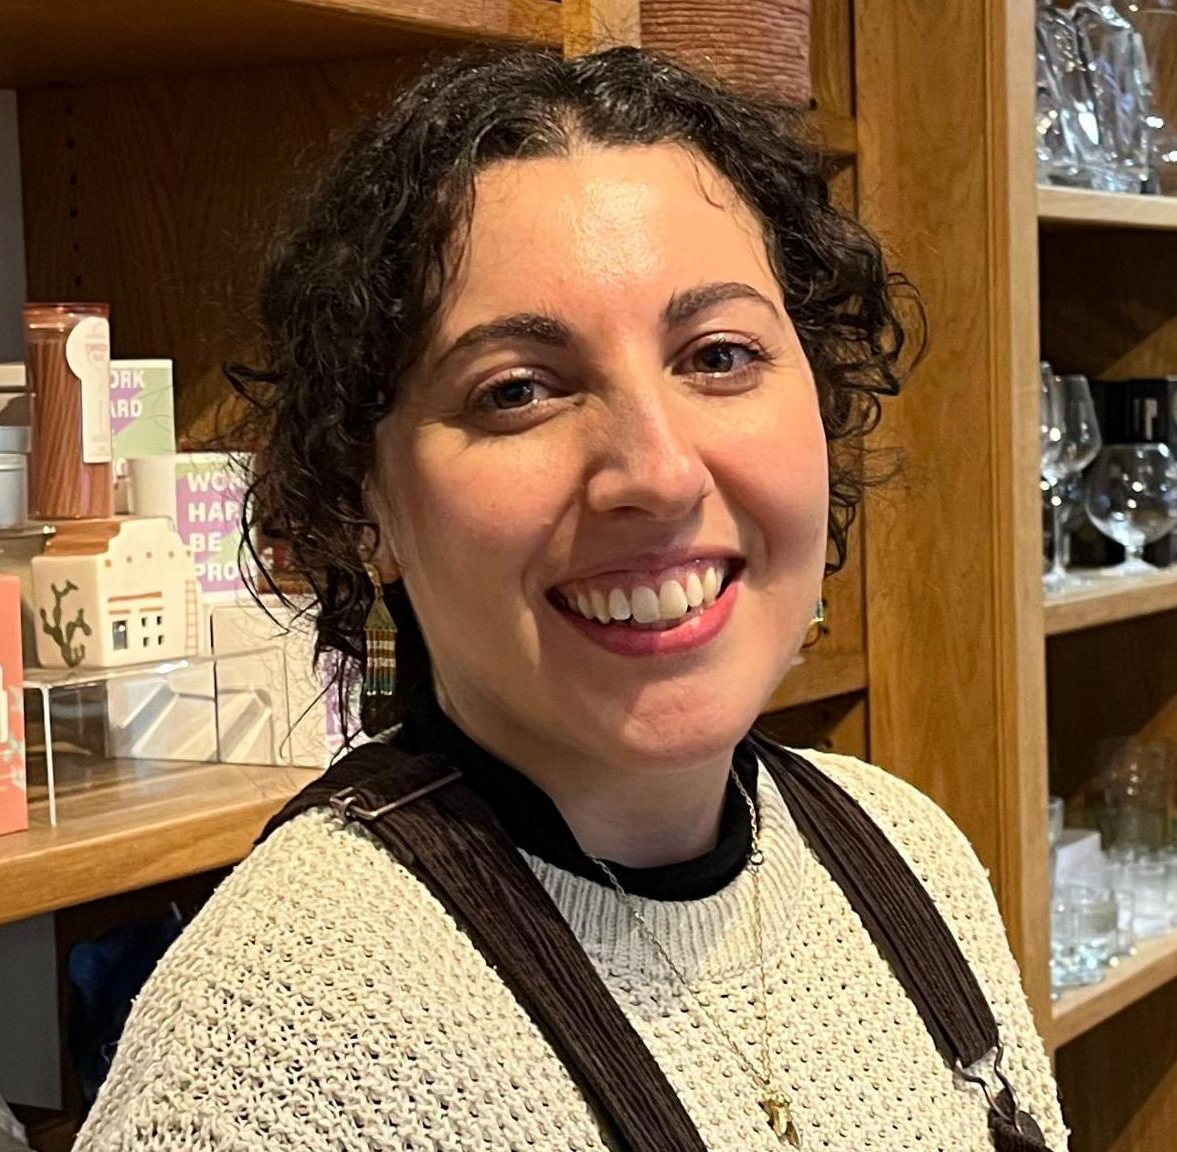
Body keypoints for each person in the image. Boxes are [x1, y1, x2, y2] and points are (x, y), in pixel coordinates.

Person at [74, 45, 1066, 1152]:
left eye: (719, 355)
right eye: (516, 392)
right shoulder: (280, 1053)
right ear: (362, 499)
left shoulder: (900, 853)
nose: (655, 471)